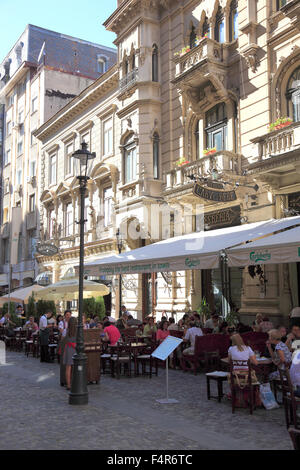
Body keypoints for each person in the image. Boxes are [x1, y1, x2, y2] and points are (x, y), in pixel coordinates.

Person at [63, 317, 78, 390]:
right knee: (76, 367)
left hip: (69, 348)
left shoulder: (67, 330)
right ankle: (75, 383)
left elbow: (65, 339)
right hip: (75, 348)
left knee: (68, 367)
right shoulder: (78, 330)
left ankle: (68, 384)